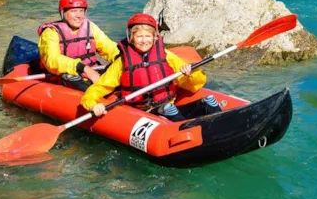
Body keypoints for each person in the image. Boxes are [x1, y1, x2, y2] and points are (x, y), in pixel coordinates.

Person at [80, 13, 222, 121]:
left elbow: (194, 85)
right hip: (143, 111)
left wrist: (192, 73)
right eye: (139, 36)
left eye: (148, 36)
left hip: (168, 104)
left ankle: (221, 122)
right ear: (131, 38)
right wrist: (92, 104)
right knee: (168, 109)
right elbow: (100, 87)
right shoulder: (123, 62)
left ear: (155, 37)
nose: (144, 41)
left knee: (208, 101)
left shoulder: (166, 55)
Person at [38, 0, 120, 91]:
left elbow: (109, 47)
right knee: (73, 79)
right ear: (62, 12)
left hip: (92, 71)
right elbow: (52, 60)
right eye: (74, 11)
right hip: (67, 74)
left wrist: (123, 57)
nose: (79, 15)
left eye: (82, 11)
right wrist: (82, 67)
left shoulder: (90, 26)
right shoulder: (51, 32)